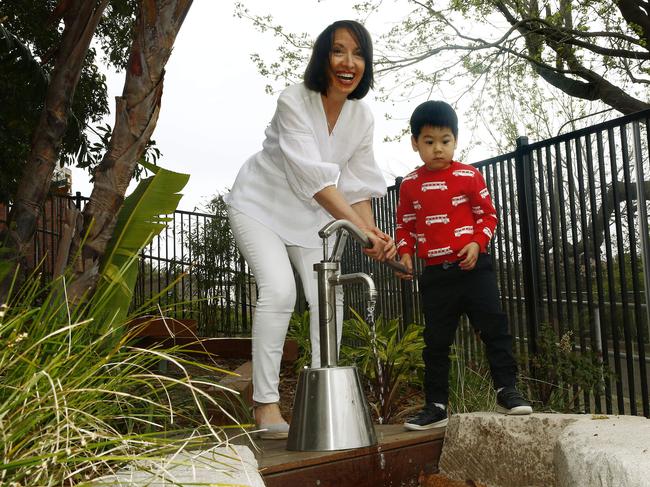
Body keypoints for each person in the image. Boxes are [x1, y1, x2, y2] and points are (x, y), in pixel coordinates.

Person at [225, 20, 396, 439]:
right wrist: (362, 232)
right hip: (259, 206)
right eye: (339, 51)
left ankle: (323, 400)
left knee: (328, 298)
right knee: (280, 290)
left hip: (315, 222)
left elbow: (357, 186)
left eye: (358, 54)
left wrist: (373, 232)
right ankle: (265, 404)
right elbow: (317, 183)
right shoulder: (293, 101)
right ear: (323, 57)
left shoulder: (362, 117)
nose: (348, 62)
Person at [394, 100, 532, 431]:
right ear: (415, 143)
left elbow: (488, 215)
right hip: (435, 275)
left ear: (455, 140)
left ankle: (507, 389)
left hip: (474, 270)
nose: (438, 148)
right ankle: (436, 405)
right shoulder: (410, 184)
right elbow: (405, 225)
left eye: (445, 140)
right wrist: (405, 252)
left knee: (494, 328)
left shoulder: (469, 176)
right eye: (429, 141)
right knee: (436, 341)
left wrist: (476, 243)